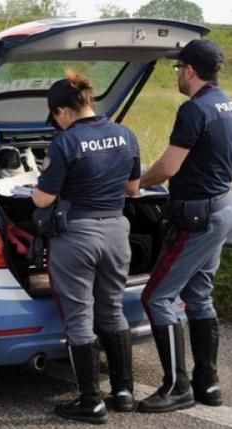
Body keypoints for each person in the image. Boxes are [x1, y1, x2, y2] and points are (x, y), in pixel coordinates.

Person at [32, 71, 141, 424]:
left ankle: (90, 402)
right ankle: (124, 392)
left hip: (77, 236)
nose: (56, 124)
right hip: (116, 232)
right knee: (111, 308)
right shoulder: (125, 134)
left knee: (79, 317)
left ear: (63, 111)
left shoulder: (66, 143)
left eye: (55, 117)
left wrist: (35, 189)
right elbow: (133, 189)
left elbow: (44, 198)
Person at [138, 39, 232, 413]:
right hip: (222, 207)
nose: (177, 73)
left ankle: (177, 387)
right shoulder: (226, 103)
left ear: (190, 71)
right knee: (200, 296)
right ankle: (208, 385)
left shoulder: (194, 111)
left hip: (197, 217)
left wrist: (138, 183)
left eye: (178, 68)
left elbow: (168, 168)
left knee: (157, 297)